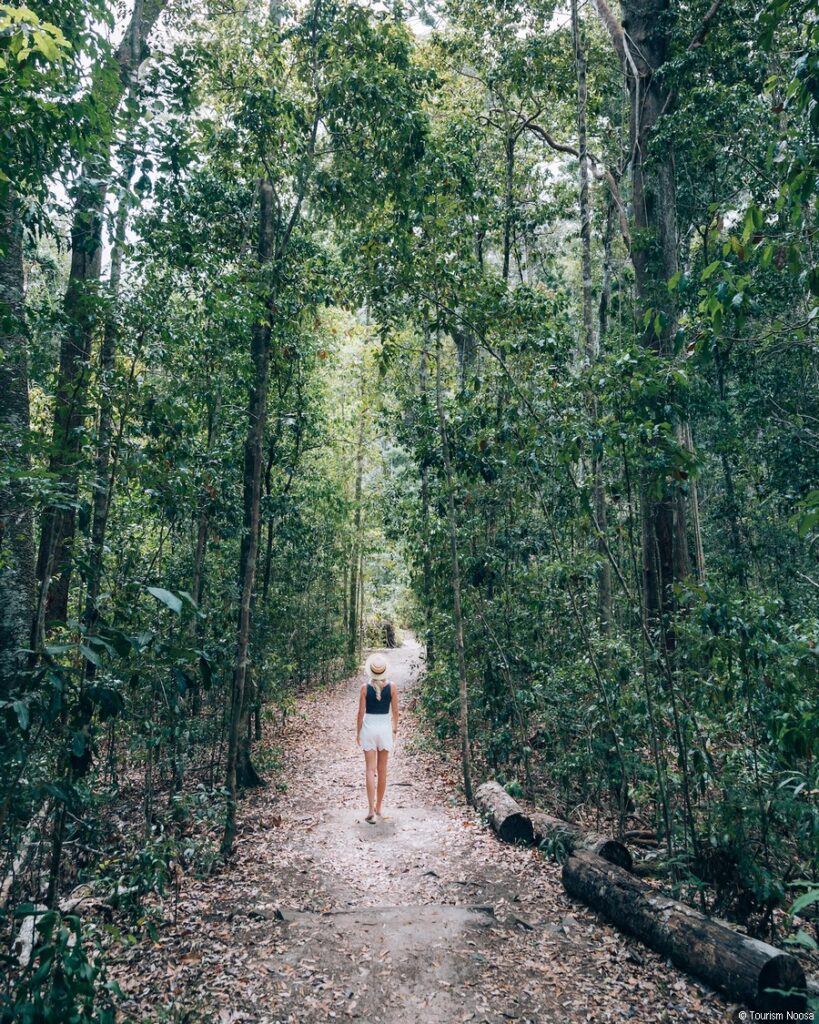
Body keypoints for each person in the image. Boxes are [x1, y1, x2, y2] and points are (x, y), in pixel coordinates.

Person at [356, 654, 399, 823]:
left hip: (369, 727)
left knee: (370, 769)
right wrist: (394, 728)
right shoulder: (393, 687)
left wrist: (358, 732)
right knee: (382, 770)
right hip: (384, 728)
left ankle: (369, 810)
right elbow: (395, 712)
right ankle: (379, 807)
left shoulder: (365, 688)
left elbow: (360, 713)